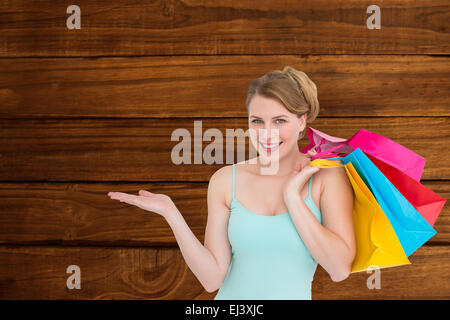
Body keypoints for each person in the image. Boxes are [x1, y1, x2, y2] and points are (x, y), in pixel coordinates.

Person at [107, 66, 356, 300]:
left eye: (280, 121)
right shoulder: (227, 180)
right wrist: (171, 213)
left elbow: (339, 268)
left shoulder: (326, 177)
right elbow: (212, 278)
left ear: (301, 121)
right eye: (257, 121)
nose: (267, 132)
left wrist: (292, 198)